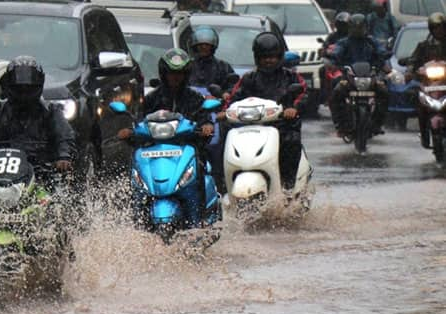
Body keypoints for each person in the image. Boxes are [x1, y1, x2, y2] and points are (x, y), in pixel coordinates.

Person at [120, 48, 215, 222]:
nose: (175, 77)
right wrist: (129, 131)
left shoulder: (195, 98)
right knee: (133, 173)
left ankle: (200, 218)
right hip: (153, 150)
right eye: (171, 73)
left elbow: (205, 119)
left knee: (203, 167)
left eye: (179, 73)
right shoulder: (151, 98)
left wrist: (207, 127)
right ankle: (134, 217)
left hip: (186, 149)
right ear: (164, 74)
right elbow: (139, 121)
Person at [0, 56, 76, 178]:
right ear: (8, 86)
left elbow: (64, 137)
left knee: (53, 195)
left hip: (41, 177)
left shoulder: (51, 112)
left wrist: (63, 157)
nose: (23, 94)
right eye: (19, 89)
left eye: (28, 89)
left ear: (38, 85)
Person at [226, 32, 307, 191]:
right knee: (222, 139)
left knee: (291, 142)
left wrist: (293, 108)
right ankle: (223, 186)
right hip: (248, 127)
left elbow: (303, 94)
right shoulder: (249, 79)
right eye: (264, 57)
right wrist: (225, 111)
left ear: (280, 57)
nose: (268, 60)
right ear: (257, 58)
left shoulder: (291, 78)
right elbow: (233, 99)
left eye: (272, 57)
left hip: (283, 126)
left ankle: (288, 186)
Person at [329, 13, 391, 137]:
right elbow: (337, 51)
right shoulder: (344, 42)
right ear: (350, 28)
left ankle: (377, 123)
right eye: (355, 27)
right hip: (349, 77)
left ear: (366, 28)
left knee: (384, 92)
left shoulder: (372, 42)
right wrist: (333, 55)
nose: (358, 30)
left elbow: (381, 50)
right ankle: (340, 125)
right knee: (336, 92)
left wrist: (384, 54)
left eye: (360, 27)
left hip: (370, 77)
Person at [406, 12, 446, 148]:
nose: (438, 30)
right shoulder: (424, 45)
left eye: (441, 27)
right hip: (430, 85)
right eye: (435, 28)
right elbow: (413, 60)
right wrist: (410, 71)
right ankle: (424, 133)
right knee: (419, 101)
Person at [187, 26, 237, 93]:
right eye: (200, 45)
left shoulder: (223, 67)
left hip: (216, 102)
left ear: (213, 46)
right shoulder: (187, 66)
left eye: (207, 45)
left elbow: (233, 86)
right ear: (195, 46)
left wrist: (224, 93)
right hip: (189, 101)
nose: (204, 47)